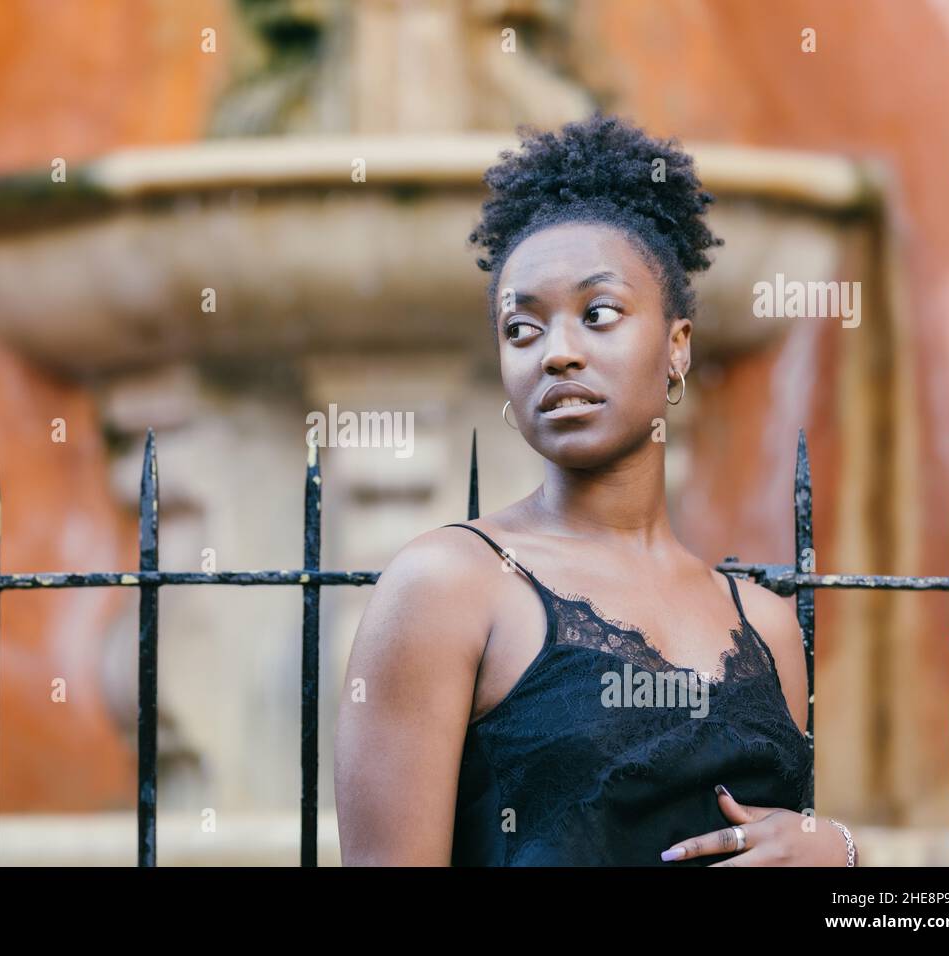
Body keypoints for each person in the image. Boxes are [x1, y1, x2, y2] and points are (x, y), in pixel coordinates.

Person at [333, 114, 860, 866]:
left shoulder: (769, 628)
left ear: (677, 347)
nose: (558, 354)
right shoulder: (449, 586)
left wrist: (841, 851)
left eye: (599, 314)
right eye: (522, 330)